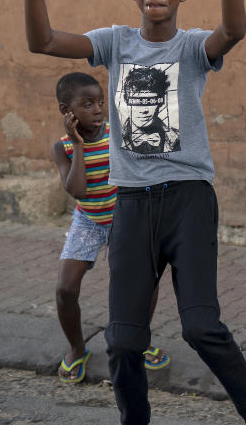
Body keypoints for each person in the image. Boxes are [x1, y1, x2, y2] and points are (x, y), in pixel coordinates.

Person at [9, 0, 246, 425]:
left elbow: (235, 31)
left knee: (202, 327)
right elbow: (41, 41)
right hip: (130, 205)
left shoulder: (194, 47)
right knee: (124, 340)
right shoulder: (115, 42)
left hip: (188, 198)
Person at [51, 72, 168, 383]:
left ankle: (138, 341)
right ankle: (78, 348)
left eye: (100, 102)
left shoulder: (120, 134)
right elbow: (78, 191)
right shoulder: (61, 148)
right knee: (65, 289)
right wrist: (77, 145)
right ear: (67, 111)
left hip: (124, 217)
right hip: (88, 219)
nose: (98, 109)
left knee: (144, 282)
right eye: (87, 104)